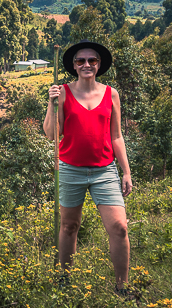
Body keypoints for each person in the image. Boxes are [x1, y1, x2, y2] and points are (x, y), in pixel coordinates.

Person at [42, 39, 133, 294]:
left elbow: (116, 136)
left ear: (99, 64)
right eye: (81, 61)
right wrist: (52, 103)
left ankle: (122, 288)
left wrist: (126, 172)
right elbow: (51, 134)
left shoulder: (110, 94)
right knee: (69, 226)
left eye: (92, 60)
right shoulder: (62, 92)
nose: (86, 65)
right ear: (74, 65)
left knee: (119, 227)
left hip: (104, 170)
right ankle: (65, 281)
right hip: (70, 169)